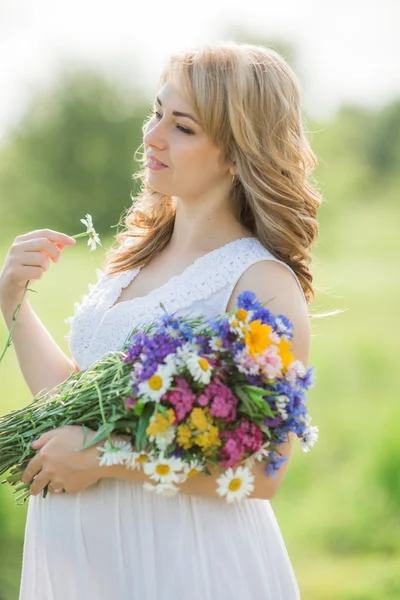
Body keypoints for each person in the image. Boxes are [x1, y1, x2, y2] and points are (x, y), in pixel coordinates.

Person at [0, 42, 320, 599]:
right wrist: (12, 300)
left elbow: (264, 472)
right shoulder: (133, 261)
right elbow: (74, 401)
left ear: (236, 153)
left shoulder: (260, 282)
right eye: (156, 113)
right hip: (92, 553)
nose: (151, 136)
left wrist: (103, 458)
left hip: (182, 556)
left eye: (183, 127)